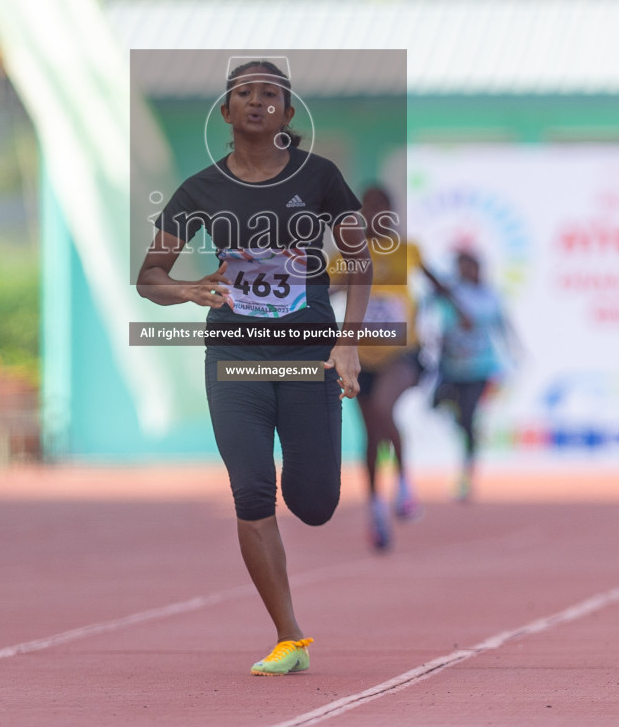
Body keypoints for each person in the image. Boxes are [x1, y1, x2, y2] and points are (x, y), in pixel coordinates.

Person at [138, 59, 370, 676]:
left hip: (306, 354)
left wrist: (347, 344)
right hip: (234, 356)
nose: (258, 102)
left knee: (315, 503)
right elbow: (149, 277)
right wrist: (188, 289)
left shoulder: (319, 177)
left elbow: (361, 261)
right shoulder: (199, 190)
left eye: (271, 94)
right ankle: (289, 636)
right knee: (250, 492)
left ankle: (312, 476)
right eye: (245, 93)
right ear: (226, 110)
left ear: (289, 114)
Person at [334, 185, 423, 551]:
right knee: (371, 433)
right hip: (359, 356)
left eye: (381, 207)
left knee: (385, 409)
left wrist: (462, 310)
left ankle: (403, 484)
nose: (375, 214)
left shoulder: (408, 250)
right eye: (368, 207)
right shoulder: (346, 254)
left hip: (402, 351)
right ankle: (375, 508)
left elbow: (434, 282)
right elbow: (327, 289)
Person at [422, 249, 516, 502]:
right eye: (460, 267)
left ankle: (467, 473)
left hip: (480, 368)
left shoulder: (490, 296)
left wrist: (513, 356)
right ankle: (464, 425)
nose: (464, 272)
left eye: (468, 266)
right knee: (436, 404)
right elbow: (427, 308)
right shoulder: (450, 293)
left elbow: (503, 326)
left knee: (468, 416)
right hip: (451, 367)